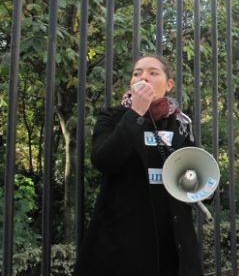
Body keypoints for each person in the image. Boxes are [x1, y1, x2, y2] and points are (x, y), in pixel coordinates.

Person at [75, 55, 203, 276]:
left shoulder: (181, 124)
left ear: (169, 84)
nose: (144, 77)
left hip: (173, 244)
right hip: (125, 243)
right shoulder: (112, 117)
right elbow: (103, 160)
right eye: (137, 73)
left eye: (153, 73)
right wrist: (136, 113)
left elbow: (196, 172)